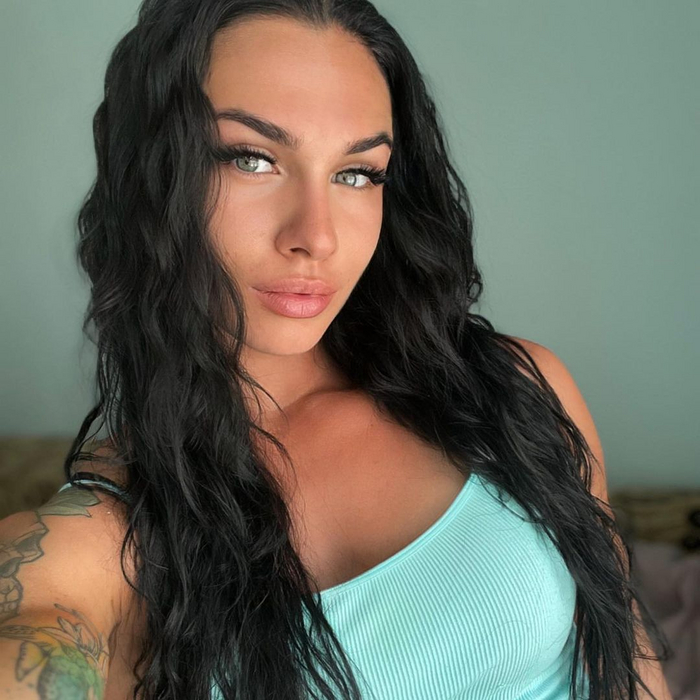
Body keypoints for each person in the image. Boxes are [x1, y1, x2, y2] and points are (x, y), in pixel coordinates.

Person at [0, 0, 673, 698]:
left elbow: (629, 664)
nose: (316, 237)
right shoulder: (110, 532)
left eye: (357, 173)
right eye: (252, 159)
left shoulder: (512, 390)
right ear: (149, 175)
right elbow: (38, 618)